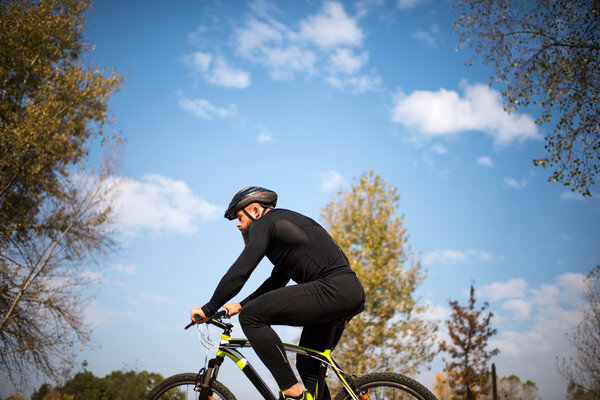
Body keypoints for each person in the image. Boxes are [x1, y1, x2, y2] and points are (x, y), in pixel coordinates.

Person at [190, 187, 365, 400]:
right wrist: (241, 304)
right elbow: (277, 280)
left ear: (255, 210)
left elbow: (241, 270)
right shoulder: (284, 227)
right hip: (345, 292)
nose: (238, 224)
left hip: (333, 289)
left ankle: (292, 393)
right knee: (308, 365)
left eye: (239, 217)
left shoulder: (264, 223)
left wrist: (209, 308)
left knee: (252, 317)